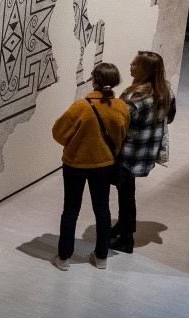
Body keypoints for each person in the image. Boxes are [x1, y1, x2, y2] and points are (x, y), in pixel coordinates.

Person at [50, 62, 129, 270]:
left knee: (71, 209)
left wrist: (73, 142)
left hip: (75, 163)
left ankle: (64, 258)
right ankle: (101, 256)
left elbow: (58, 132)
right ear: (115, 82)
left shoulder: (81, 107)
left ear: (94, 80)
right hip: (104, 165)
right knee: (102, 208)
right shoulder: (121, 107)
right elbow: (122, 136)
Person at [111, 50, 176, 253]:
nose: (130, 65)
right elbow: (170, 117)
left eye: (134, 63)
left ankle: (126, 238)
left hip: (128, 153)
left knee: (126, 194)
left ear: (144, 69)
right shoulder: (166, 92)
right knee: (127, 192)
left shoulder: (134, 96)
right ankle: (122, 226)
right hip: (147, 151)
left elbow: (119, 124)